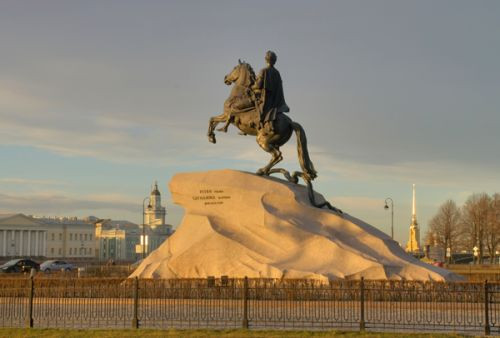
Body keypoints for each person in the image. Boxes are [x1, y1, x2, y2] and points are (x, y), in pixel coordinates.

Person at [252, 51, 289, 132]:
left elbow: (258, 85)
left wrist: (251, 87)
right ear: (274, 61)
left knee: (251, 103)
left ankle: (257, 125)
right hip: (275, 101)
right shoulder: (277, 73)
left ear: (266, 60)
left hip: (266, 99)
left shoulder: (263, 71)